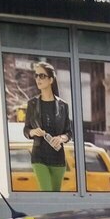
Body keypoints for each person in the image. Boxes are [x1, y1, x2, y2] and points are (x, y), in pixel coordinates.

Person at [21, 61, 72, 192]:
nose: (38, 78)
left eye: (42, 76)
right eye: (36, 75)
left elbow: (69, 133)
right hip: (39, 157)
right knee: (47, 192)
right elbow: (26, 130)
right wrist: (33, 132)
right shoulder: (32, 104)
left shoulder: (63, 105)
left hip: (58, 158)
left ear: (51, 79)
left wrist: (61, 138)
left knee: (55, 196)